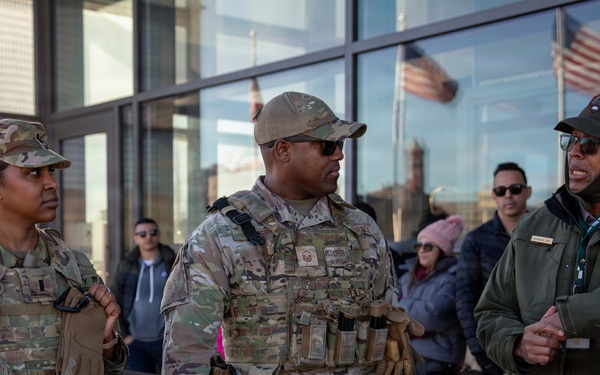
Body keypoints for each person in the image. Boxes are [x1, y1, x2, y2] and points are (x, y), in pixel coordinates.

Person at [161, 91, 406, 374]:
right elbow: (186, 357)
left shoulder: (362, 229)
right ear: (282, 150)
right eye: (328, 145)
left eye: (339, 144)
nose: (339, 154)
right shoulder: (220, 236)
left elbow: (391, 333)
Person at [475, 93, 600, 374]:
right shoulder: (533, 225)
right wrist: (518, 345)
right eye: (571, 141)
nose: (575, 153)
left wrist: (570, 317)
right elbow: (490, 311)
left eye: (590, 144)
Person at [0, 118, 127, 374]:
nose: (52, 184)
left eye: (51, 172)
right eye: (34, 172)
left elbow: (111, 367)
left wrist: (105, 338)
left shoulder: (74, 267)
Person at [456, 162, 531, 375]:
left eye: (515, 189)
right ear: (493, 196)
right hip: (493, 352)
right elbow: (465, 301)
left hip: (541, 350)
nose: (508, 195)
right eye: (501, 190)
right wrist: (486, 359)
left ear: (528, 192)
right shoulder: (475, 240)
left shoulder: (549, 234)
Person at [398, 215, 466, 374]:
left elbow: (432, 315)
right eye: (419, 245)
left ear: (442, 250)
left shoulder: (453, 278)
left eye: (428, 246)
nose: (421, 251)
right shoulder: (407, 276)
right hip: (408, 353)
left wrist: (400, 303)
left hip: (438, 359)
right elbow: (389, 310)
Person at [111, 217, 176, 373]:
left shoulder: (171, 263)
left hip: (166, 341)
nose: (148, 237)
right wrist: (124, 336)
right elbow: (115, 300)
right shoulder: (126, 265)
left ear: (158, 235)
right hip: (135, 343)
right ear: (135, 238)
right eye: (142, 234)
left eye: (152, 232)